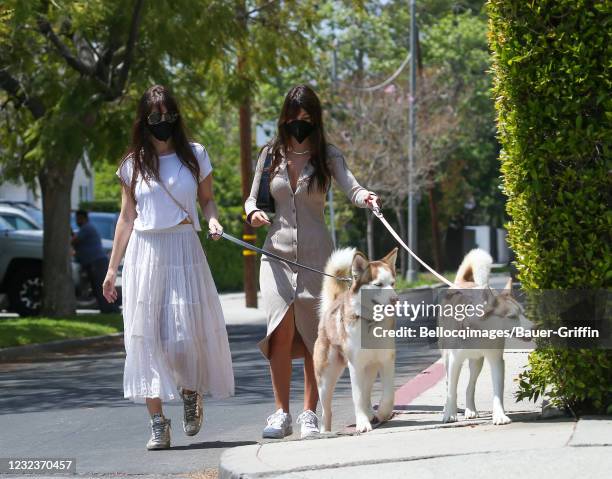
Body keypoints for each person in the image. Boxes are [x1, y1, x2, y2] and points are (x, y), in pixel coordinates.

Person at [102, 84, 234, 450]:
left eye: (168, 114)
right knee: (145, 337)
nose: (163, 121)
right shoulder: (132, 164)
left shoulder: (195, 155)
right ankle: (157, 422)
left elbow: (207, 201)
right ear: (144, 120)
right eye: (155, 116)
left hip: (183, 248)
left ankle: (191, 392)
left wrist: (212, 221)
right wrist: (112, 269)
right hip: (145, 252)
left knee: (182, 336)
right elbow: (127, 217)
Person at [244, 84, 380, 439]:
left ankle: (309, 413)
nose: (298, 126)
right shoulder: (269, 155)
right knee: (279, 330)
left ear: (315, 120)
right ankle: (279, 413)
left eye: (305, 120)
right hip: (275, 256)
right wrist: (254, 213)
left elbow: (351, 186)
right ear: (283, 119)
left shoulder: (326, 155)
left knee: (312, 334)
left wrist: (365, 195)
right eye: (292, 119)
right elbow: (251, 200)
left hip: (318, 259)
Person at [71, 210, 119, 313]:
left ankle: (110, 309)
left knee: (100, 288)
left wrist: (70, 233)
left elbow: (74, 241)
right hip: (95, 263)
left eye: (78, 218)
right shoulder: (85, 228)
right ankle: (107, 309)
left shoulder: (87, 228)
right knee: (98, 289)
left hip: (97, 263)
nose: (77, 221)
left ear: (84, 218)